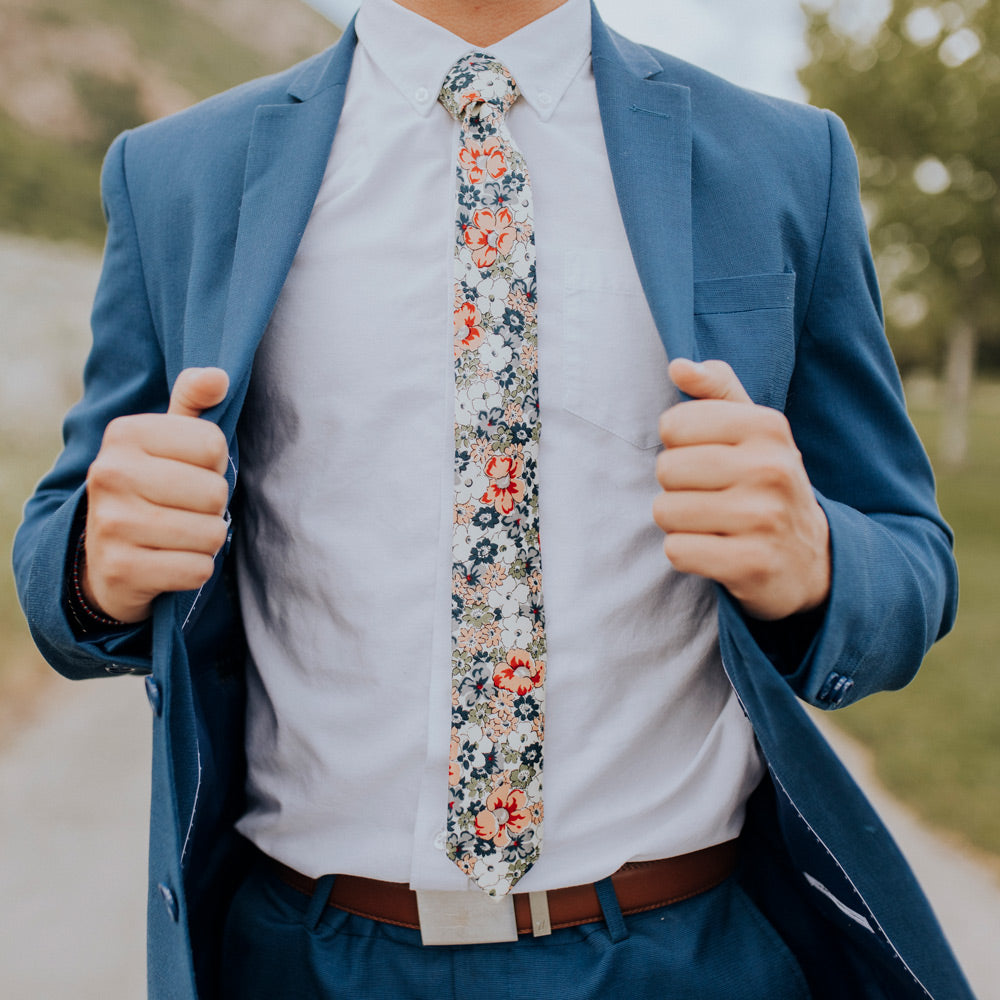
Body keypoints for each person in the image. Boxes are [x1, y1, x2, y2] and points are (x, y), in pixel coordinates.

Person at [13, 0, 972, 997]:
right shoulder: (177, 173)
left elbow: (908, 560)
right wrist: (95, 563)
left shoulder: (782, 160)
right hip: (304, 959)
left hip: (680, 954)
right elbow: (60, 558)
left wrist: (815, 565)